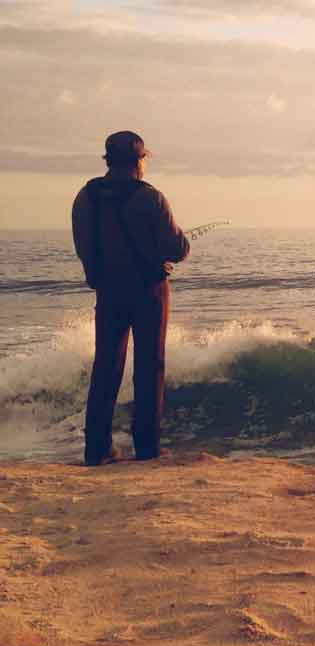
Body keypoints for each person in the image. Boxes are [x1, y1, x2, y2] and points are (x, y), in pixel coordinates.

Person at [72, 131, 190, 466]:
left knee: (106, 367)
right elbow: (176, 249)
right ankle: (147, 448)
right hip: (148, 291)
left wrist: (96, 275)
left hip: (108, 290)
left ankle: (97, 449)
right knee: (150, 366)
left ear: (108, 160)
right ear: (139, 160)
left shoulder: (86, 196)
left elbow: (84, 246)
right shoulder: (150, 197)